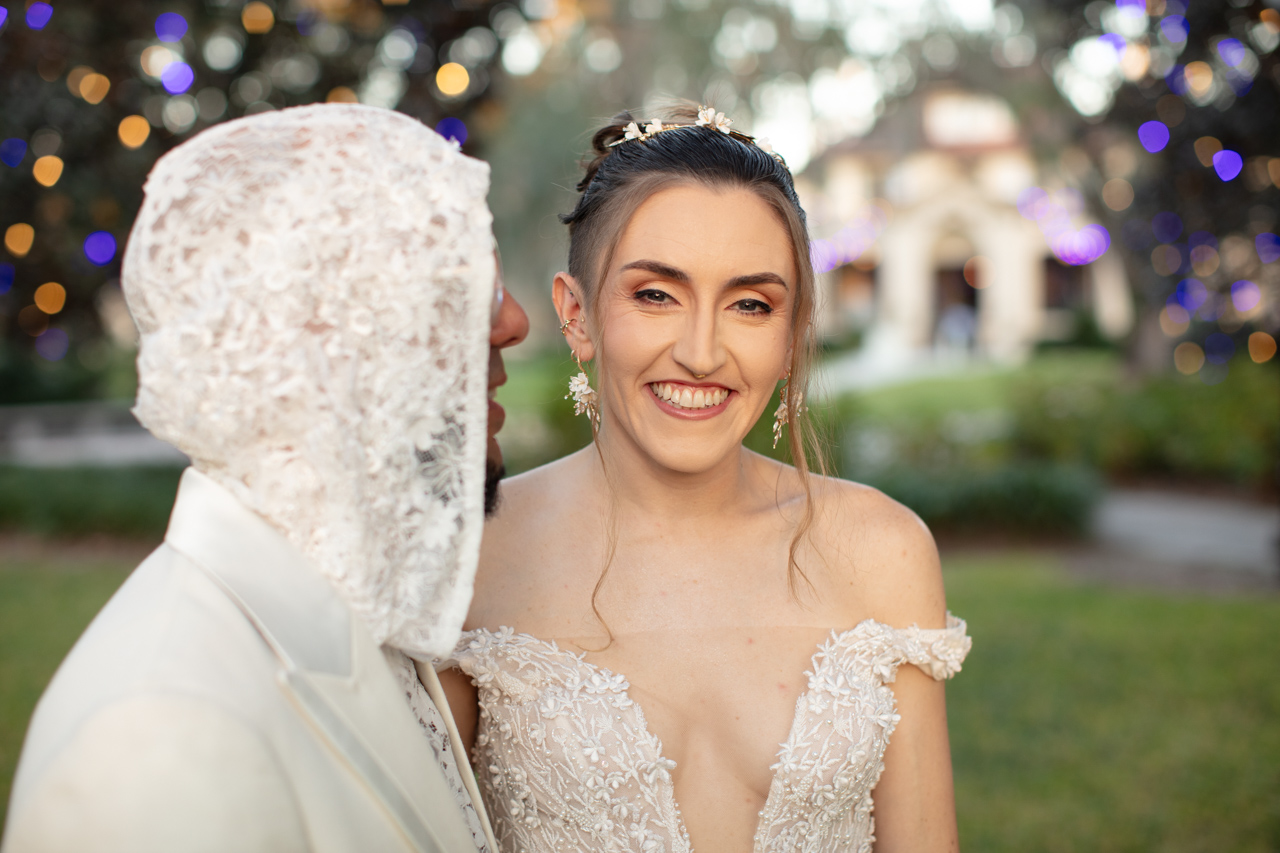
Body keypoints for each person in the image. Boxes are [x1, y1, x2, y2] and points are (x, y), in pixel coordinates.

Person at [438, 103, 971, 852]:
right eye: (656, 295)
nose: (701, 353)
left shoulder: (883, 552)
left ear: (792, 334)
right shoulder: (471, 557)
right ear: (577, 314)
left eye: (750, 304)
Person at [2, 103, 528, 853]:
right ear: (306, 339)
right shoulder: (156, 740)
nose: (512, 322)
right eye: (455, 282)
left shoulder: (374, 617)